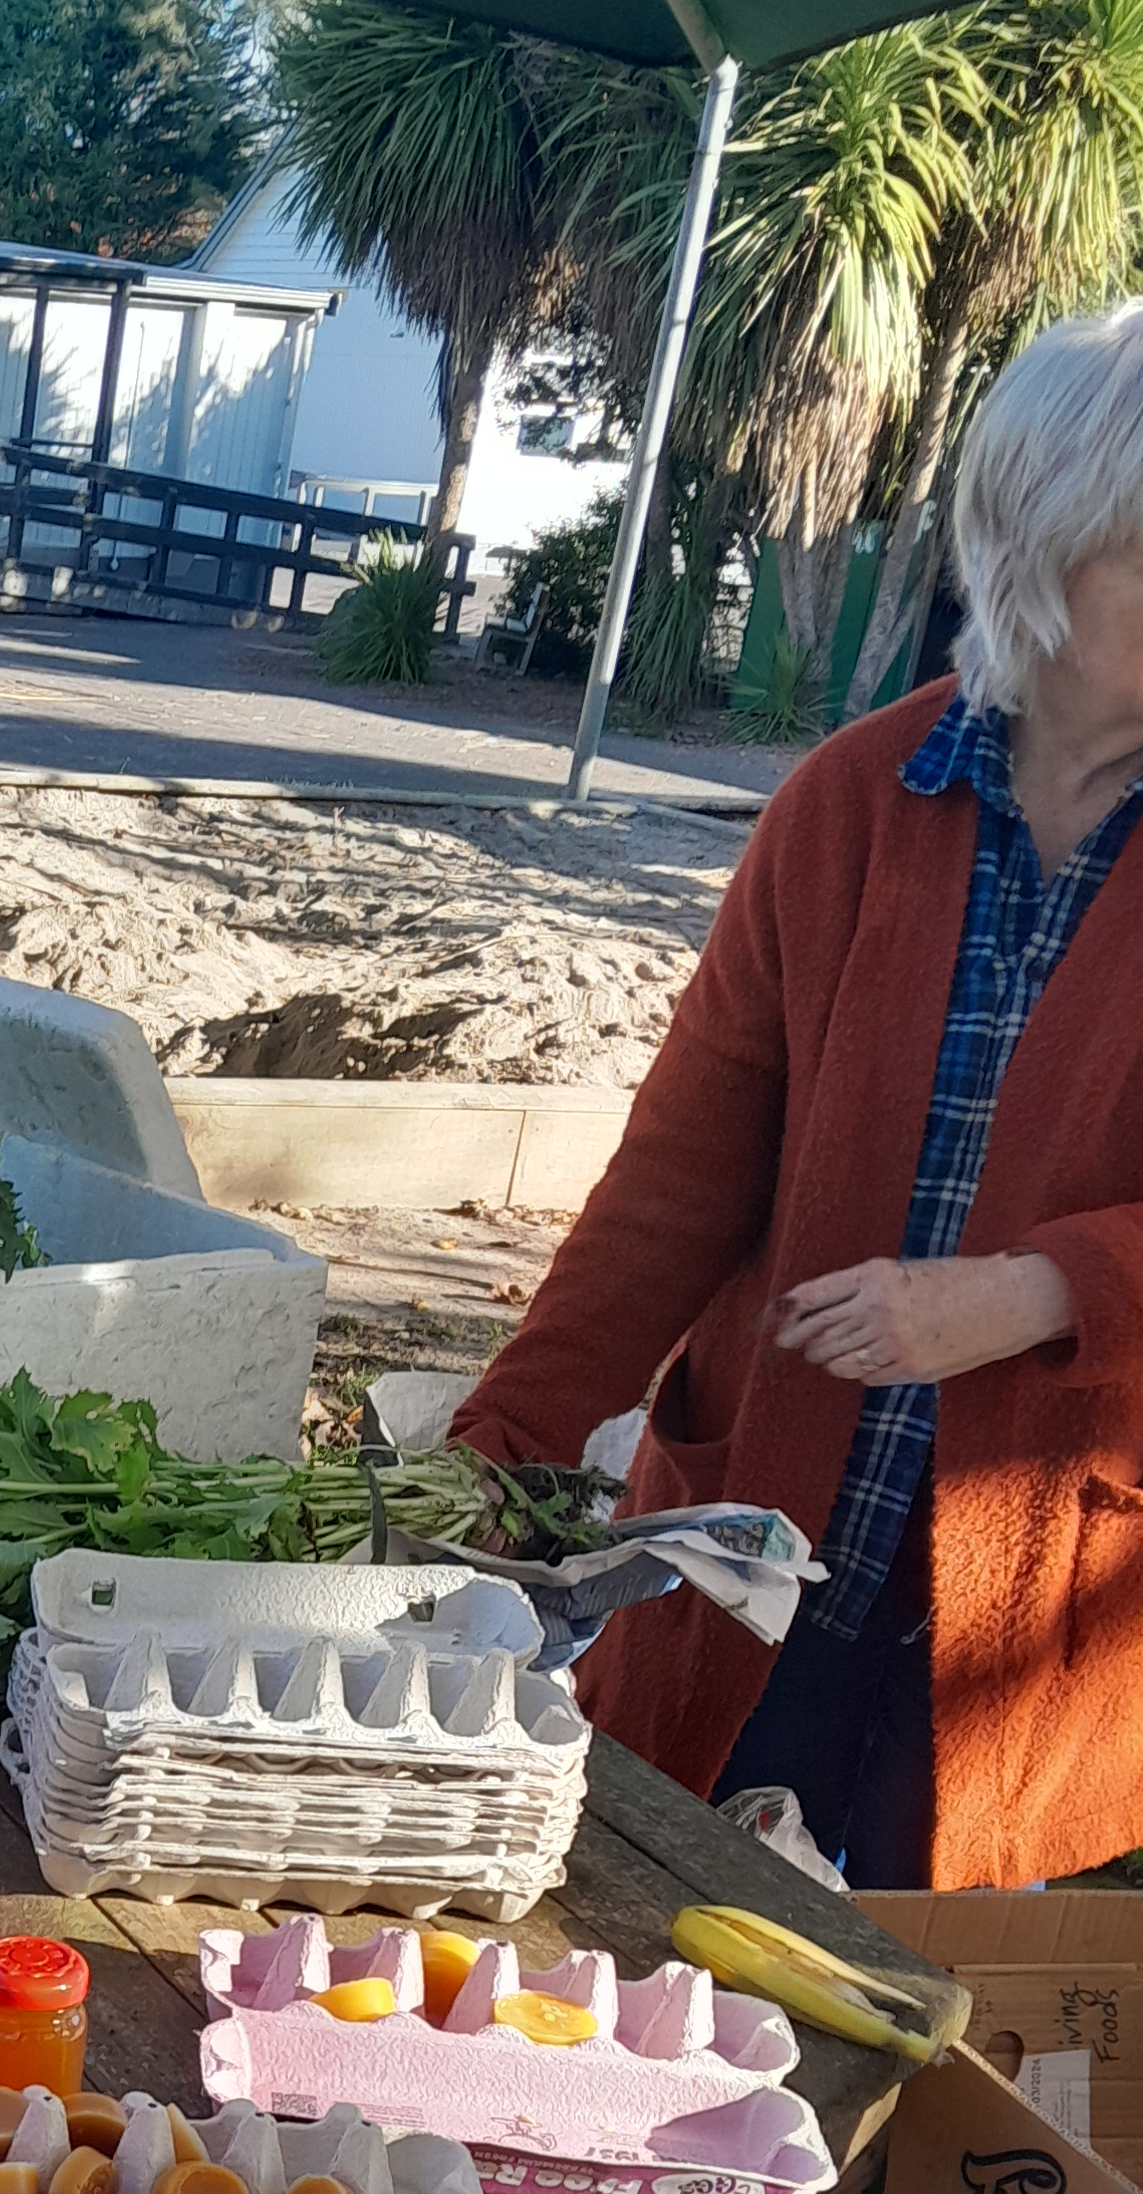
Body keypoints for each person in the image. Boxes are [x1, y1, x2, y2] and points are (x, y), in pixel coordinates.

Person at [450, 298, 1143, 1889]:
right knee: (650, 1987)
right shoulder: (847, 808)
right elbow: (678, 1183)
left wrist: (1045, 1292)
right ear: (1047, 545)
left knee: (931, 2046)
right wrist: (504, 1444)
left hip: (1038, 1609)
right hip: (759, 1561)